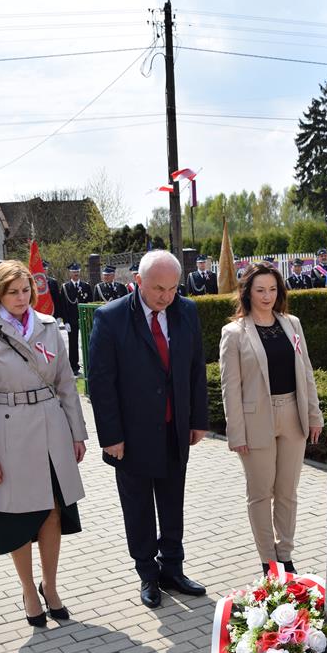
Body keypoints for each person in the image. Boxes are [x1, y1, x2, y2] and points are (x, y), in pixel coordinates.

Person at [0, 259, 88, 627]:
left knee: (52, 510)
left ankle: (50, 586)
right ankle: (27, 590)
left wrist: (77, 432)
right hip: (11, 434)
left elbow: (66, 383)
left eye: (25, 291)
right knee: (20, 517)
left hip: (52, 427)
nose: (21, 298)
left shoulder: (49, 327)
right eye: (12, 292)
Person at [88, 250, 209, 609]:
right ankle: (147, 573)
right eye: (158, 288)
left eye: (173, 288)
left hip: (175, 429)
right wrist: (111, 437)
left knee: (173, 503)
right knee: (138, 508)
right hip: (132, 436)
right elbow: (101, 382)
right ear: (138, 281)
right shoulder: (110, 318)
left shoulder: (186, 311)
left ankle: (173, 567)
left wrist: (198, 420)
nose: (166, 296)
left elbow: (195, 368)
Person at [219, 262, 323, 575]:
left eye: (273, 289)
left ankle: (286, 554)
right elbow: (230, 387)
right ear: (247, 292)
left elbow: (305, 370)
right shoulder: (234, 333)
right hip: (256, 423)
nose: (267, 296)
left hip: (293, 415)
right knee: (260, 493)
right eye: (260, 289)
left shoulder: (292, 324)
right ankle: (268, 560)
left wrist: (314, 414)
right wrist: (236, 433)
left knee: (287, 492)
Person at [60, 262, 92, 375]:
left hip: (84, 319)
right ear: (70, 273)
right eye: (74, 272)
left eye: (77, 272)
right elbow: (63, 305)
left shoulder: (86, 286)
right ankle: (74, 366)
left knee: (87, 342)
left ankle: (89, 364)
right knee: (73, 344)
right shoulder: (65, 287)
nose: (76, 274)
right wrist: (66, 321)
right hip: (72, 320)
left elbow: (90, 302)